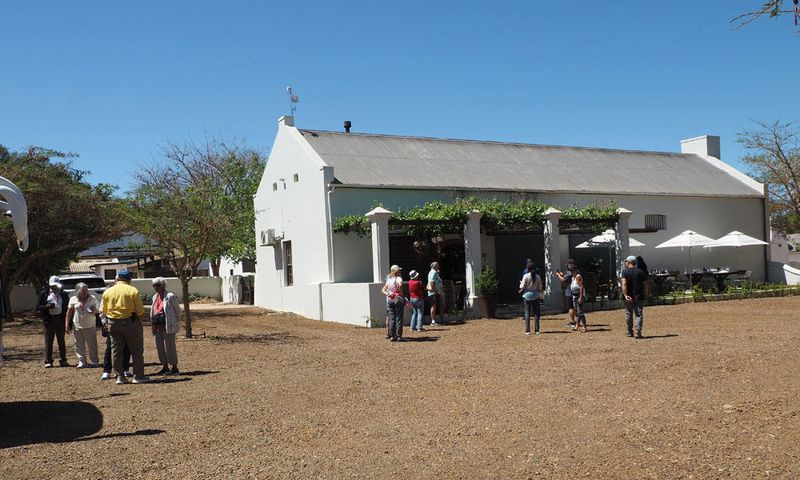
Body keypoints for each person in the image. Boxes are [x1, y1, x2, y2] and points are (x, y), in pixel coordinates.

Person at [101, 269, 149, 384]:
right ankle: (138, 376)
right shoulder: (132, 290)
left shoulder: (108, 291)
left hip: (112, 323)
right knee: (136, 350)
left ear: (117, 279)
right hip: (130, 323)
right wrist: (139, 322)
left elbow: (103, 310)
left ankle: (120, 377)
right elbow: (140, 311)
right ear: (129, 279)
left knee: (116, 350)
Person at [36, 276, 70, 368]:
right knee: (48, 341)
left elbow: (67, 308)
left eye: (55, 286)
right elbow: (38, 307)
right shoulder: (44, 294)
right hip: (49, 320)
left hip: (60, 320)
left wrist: (67, 322)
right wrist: (46, 307)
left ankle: (63, 360)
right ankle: (48, 361)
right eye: (52, 286)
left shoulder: (64, 294)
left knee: (61, 341)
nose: (54, 288)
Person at [65, 283, 100, 368]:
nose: (85, 292)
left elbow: (99, 310)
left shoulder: (93, 298)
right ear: (78, 291)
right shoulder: (73, 299)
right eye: (83, 290)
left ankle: (94, 361)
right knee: (78, 344)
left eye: (86, 290)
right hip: (77, 325)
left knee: (92, 344)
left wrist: (94, 311)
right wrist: (67, 324)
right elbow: (69, 312)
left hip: (90, 325)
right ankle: (82, 361)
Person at [150, 277, 181, 374]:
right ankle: (165, 366)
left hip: (168, 325)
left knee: (170, 346)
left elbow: (177, 310)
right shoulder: (154, 297)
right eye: (154, 285)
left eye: (157, 285)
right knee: (160, 347)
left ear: (163, 285)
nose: (155, 287)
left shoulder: (170, 296)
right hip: (158, 326)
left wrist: (174, 321)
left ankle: (174, 367)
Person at [621, 255, 648, 339]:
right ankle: (638, 332)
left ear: (628, 262)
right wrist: (646, 293)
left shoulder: (625, 272)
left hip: (628, 296)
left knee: (628, 314)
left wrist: (625, 295)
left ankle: (629, 331)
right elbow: (645, 284)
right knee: (638, 314)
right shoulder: (640, 272)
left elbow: (624, 283)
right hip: (639, 296)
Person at [381, 265, 405, 342]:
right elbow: (400, 285)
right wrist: (401, 293)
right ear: (397, 271)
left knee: (392, 318)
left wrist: (389, 294)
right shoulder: (399, 279)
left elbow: (383, 290)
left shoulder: (389, 280)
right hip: (397, 299)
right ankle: (399, 336)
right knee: (399, 318)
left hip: (390, 299)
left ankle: (392, 335)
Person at [519, 261, 543, 335]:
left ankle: (528, 330)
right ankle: (537, 330)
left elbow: (522, 286)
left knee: (527, 313)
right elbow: (540, 287)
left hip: (527, 295)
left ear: (527, 268)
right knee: (536, 313)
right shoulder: (537, 276)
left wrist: (520, 284)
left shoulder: (525, 276)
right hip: (535, 295)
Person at [555, 259, 576, 328]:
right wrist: (562, 275)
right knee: (575, 307)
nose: (567, 266)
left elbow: (563, 280)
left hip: (569, 292)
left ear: (571, 265)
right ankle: (576, 322)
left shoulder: (569, 273)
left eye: (568, 265)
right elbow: (566, 278)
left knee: (570, 308)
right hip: (575, 292)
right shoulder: (576, 272)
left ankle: (573, 322)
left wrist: (558, 275)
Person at [568, 263, 587, 332]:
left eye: (572, 271)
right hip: (574, 296)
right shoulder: (573, 278)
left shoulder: (578, 277)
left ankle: (584, 326)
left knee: (580, 312)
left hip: (579, 295)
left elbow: (581, 287)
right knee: (576, 312)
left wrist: (581, 297)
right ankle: (577, 325)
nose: (571, 272)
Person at [427, 261, 444, 326]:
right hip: (434, 293)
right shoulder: (433, 272)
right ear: (435, 266)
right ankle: (433, 322)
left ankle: (439, 320)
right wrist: (434, 291)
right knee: (433, 306)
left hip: (437, 292)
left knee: (437, 306)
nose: (438, 266)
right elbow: (431, 282)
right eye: (437, 265)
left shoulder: (435, 272)